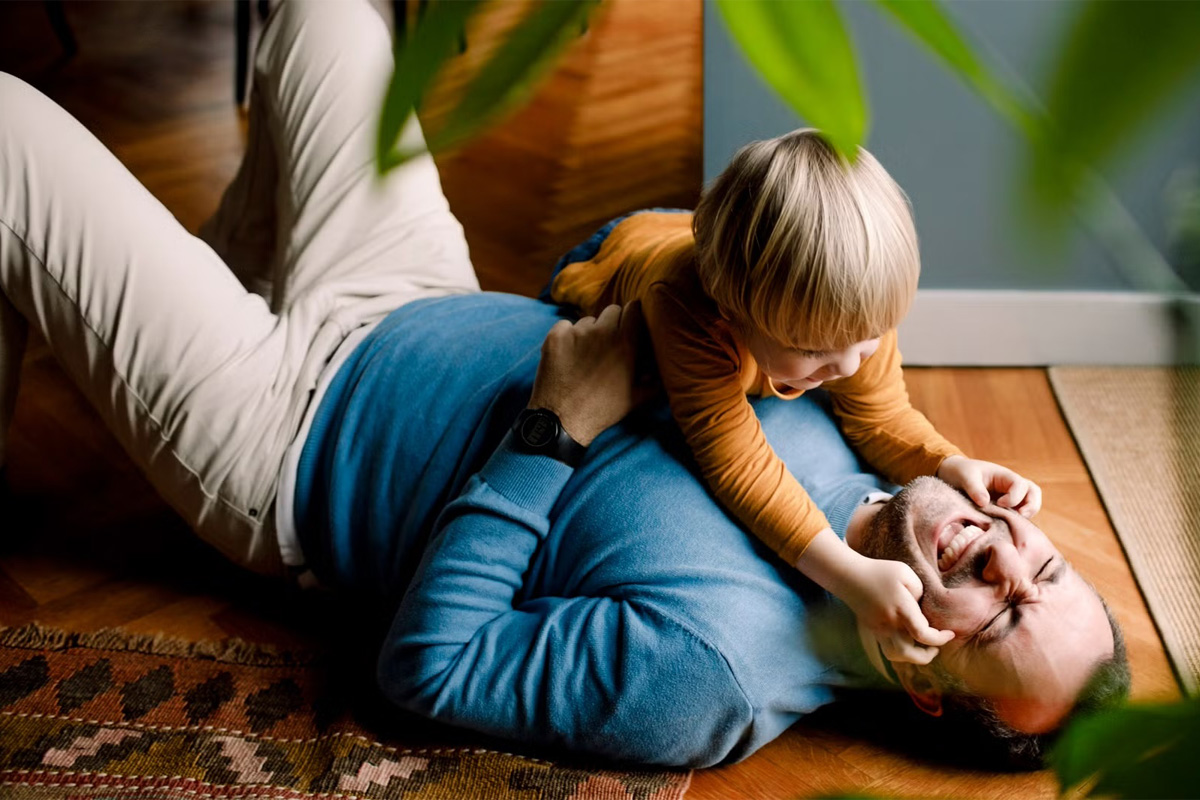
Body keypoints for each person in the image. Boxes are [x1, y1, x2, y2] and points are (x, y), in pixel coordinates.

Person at [0, 0, 1126, 772]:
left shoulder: (710, 675)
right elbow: (674, 286)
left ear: (926, 678)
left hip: (289, 432)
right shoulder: (871, 428)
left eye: (1002, 613)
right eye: (1048, 567)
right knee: (329, 14)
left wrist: (554, 430)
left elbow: (426, 670)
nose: (1006, 557)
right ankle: (215, 270)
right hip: (410, 289)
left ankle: (191, 305)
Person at [548, 133, 1044, 668]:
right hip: (621, 252)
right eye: (812, 350)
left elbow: (880, 416)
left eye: (869, 339)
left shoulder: (853, 310)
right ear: (731, 314)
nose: (848, 366)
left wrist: (948, 462)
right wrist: (848, 576)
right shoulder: (687, 312)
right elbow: (736, 463)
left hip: (701, 236)